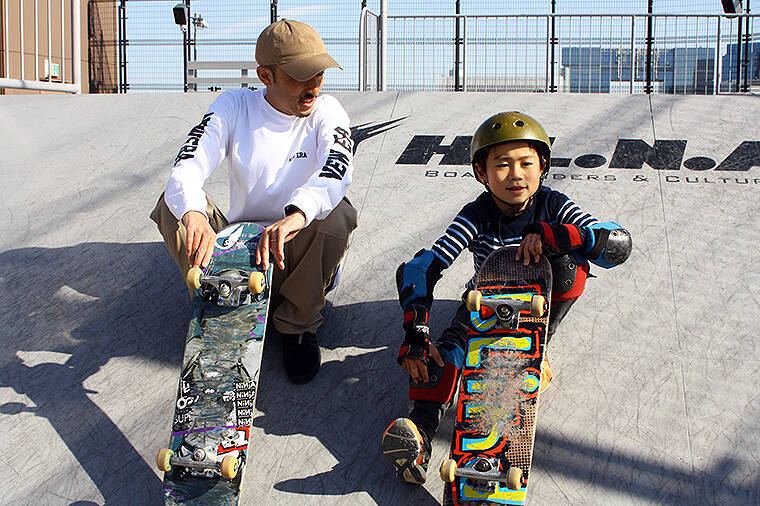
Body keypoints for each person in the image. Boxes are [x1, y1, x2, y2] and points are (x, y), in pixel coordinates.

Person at [380, 111, 632, 484]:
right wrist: (416, 332)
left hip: (536, 313)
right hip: (484, 306)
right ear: (482, 172)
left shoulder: (553, 204)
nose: (515, 174)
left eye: (526, 163)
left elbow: (616, 243)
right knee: (439, 357)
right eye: (501, 165)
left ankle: (538, 347)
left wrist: (559, 236)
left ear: (542, 166)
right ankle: (420, 438)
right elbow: (421, 267)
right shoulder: (476, 214)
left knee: (567, 263)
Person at [150, 19, 358, 385]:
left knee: (337, 213)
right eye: (300, 75)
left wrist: (297, 214)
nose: (313, 85)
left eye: (318, 74)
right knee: (173, 204)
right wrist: (194, 212)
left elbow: (336, 168)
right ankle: (221, 306)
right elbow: (189, 162)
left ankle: (297, 324)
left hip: (297, 257)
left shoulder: (328, 111)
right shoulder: (234, 106)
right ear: (266, 75)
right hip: (241, 255)